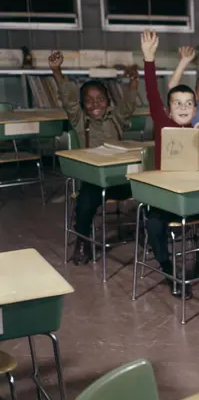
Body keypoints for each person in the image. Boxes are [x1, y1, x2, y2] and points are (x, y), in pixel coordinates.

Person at [141, 30, 199, 299]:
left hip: (194, 195)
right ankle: (169, 270)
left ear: (195, 107)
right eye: (177, 103)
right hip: (167, 197)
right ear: (168, 108)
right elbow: (153, 92)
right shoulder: (163, 123)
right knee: (154, 224)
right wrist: (149, 58)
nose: (184, 107)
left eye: (189, 103)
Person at [48, 50, 139, 265]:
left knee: (149, 187)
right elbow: (69, 100)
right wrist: (57, 71)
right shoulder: (81, 121)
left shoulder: (116, 119)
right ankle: (82, 241)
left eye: (100, 99)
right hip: (96, 182)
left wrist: (133, 83)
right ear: (82, 105)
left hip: (120, 178)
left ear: (108, 101)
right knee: (86, 199)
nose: (95, 104)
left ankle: (150, 235)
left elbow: (128, 106)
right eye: (88, 101)